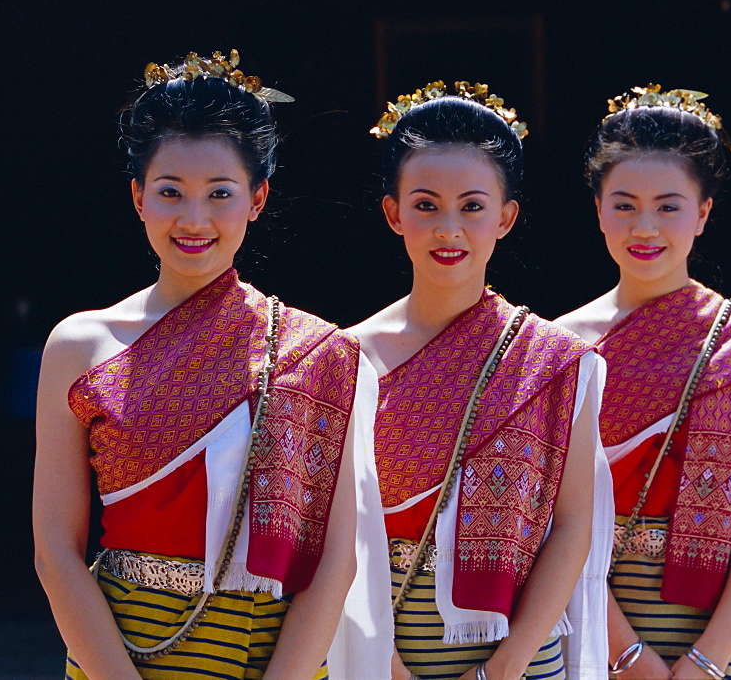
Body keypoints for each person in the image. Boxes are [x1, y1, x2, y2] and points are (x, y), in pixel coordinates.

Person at [32, 49, 388, 679]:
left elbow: (337, 558)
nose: (193, 219)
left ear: (257, 198)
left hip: (273, 653)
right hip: (120, 651)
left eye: (219, 193)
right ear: (139, 197)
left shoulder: (321, 352)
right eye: (170, 192)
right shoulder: (79, 347)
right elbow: (57, 549)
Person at [349, 81, 612, 680]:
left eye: (472, 206)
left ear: (506, 217)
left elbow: (573, 526)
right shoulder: (342, 359)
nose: (449, 227)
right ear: (393, 213)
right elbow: (331, 538)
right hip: (373, 650)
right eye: (425, 205)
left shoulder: (558, 361)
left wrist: (504, 668)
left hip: (520, 658)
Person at [556, 85, 731, 679]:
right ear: (597, 209)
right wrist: (627, 656)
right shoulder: (555, 353)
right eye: (623, 204)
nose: (644, 226)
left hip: (717, 636)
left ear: (702, 213)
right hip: (586, 627)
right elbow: (548, 519)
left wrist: (706, 660)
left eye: (668, 206)